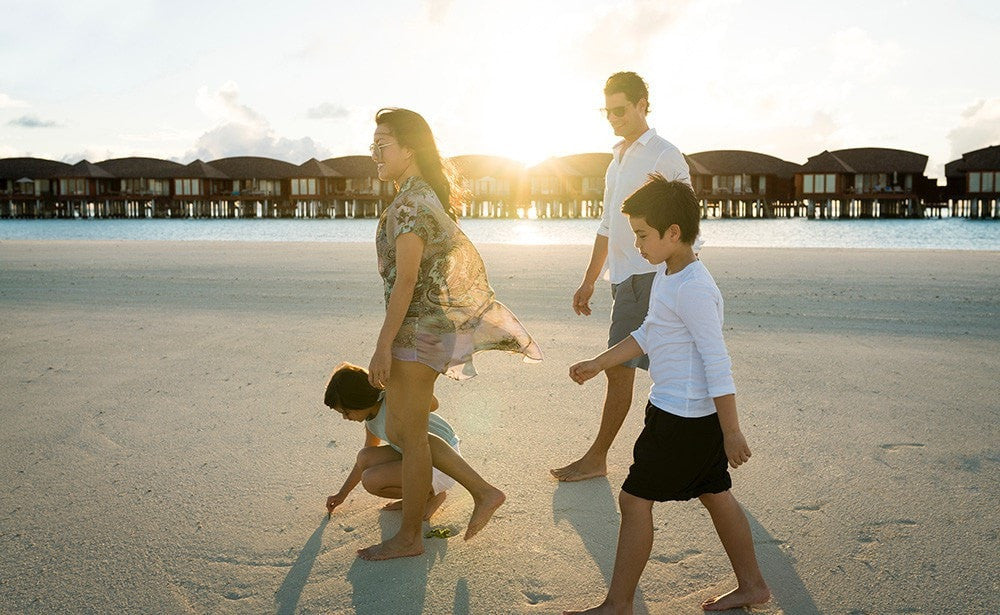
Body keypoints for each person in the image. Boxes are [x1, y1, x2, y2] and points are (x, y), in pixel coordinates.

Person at [562, 177, 770, 613]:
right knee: (715, 493)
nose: (636, 244)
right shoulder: (669, 274)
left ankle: (618, 604)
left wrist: (731, 431)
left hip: (684, 418)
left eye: (642, 234)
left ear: (673, 232)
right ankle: (752, 585)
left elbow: (718, 362)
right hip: (679, 412)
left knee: (634, 499)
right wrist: (600, 362)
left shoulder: (694, 287)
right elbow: (650, 333)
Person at [362, 108, 541, 560]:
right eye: (373, 145)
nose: (375, 153)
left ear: (410, 148)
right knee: (407, 429)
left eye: (382, 144)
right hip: (425, 328)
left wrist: (382, 345)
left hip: (416, 331)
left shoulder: (411, 203)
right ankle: (481, 492)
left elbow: (406, 281)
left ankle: (410, 537)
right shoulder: (420, 196)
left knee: (411, 433)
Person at [551, 71, 692, 482]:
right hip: (624, 280)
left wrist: (679, 277)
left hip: (654, 276)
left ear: (642, 104)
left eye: (620, 109)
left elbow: (688, 220)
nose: (612, 117)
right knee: (663, 366)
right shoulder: (617, 157)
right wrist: (590, 279)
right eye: (606, 110)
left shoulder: (664, 154)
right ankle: (706, 450)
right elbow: (608, 225)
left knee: (622, 366)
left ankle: (598, 458)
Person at [324, 362, 504, 529]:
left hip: (444, 462)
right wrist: (342, 494)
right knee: (365, 457)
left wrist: (404, 388)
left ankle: (431, 495)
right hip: (417, 455)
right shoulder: (371, 419)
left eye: (347, 411)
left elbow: (433, 404)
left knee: (371, 480)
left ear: (360, 400)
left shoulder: (394, 401)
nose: (345, 418)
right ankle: (420, 494)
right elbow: (364, 459)